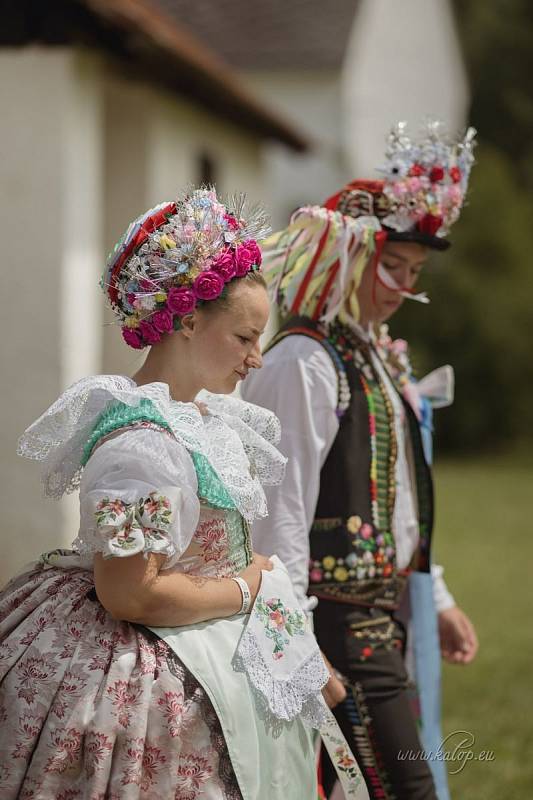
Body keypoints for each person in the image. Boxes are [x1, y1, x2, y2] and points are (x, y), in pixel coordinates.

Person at [0, 188, 369, 800]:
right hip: (144, 676)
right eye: (246, 337)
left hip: (203, 645)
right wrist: (247, 588)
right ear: (190, 319)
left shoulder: (197, 426)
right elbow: (128, 591)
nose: (256, 358)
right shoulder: (138, 447)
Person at [241, 123, 478, 799]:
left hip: (381, 618)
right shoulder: (303, 362)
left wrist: (435, 596)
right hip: (334, 626)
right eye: (391, 266)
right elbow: (276, 518)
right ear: (344, 256)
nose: (403, 287)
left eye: (415, 273)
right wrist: (298, 651)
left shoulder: (370, 356)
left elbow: (399, 500)